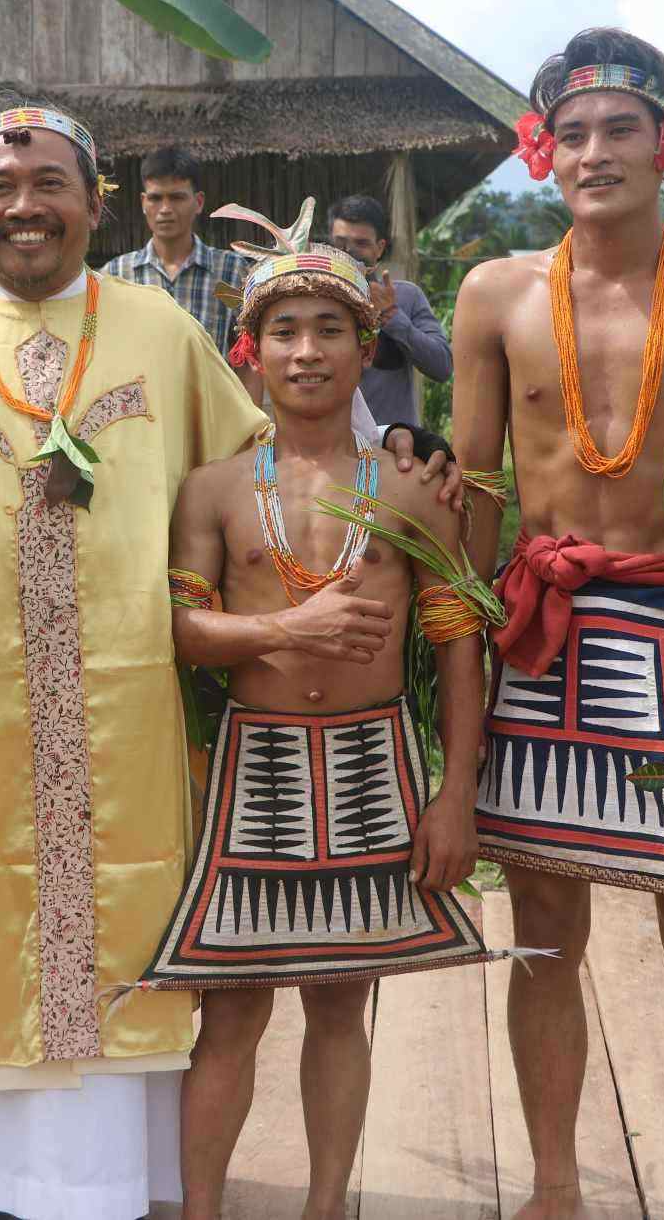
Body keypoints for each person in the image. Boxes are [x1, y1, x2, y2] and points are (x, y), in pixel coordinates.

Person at [0, 91, 457, 1219]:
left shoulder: (159, 332)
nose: (25, 210)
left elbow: (277, 463)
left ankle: (110, 1188)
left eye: (49, 188)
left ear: (95, 202)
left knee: (142, 961)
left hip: (124, 728)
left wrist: (400, 449)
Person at [454, 27, 664, 1220]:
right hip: (536, 631)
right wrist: (453, 661)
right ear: (544, 149)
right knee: (544, 928)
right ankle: (552, 1187)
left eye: (620, 130)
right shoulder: (493, 291)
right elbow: (476, 490)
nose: (593, 154)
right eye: (571, 133)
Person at [162, 202, 490, 1220]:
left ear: (366, 344)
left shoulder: (410, 484)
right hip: (253, 767)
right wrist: (282, 633)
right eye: (285, 332)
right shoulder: (212, 489)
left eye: (329, 331)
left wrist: (454, 796)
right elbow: (176, 632)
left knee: (341, 1003)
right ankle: (204, 1208)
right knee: (230, 1010)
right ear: (247, 349)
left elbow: (454, 640)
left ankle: (322, 1206)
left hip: (369, 761)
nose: (305, 353)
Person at [101, 144, 252, 364]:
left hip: (209, 399)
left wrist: (249, 400)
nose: (165, 209)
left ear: (198, 202)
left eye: (177, 197)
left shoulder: (232, 271)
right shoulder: (115, 275)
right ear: (144, 202)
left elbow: (248, 356)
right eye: (155, 198)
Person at [326, 194, 453, 427]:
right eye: (341, 243)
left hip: (396, 451)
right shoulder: (313, 301)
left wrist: (391, 316)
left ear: (380, 248)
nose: (349, 252)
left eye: (361, 243)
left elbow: (442, 366)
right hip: (328, 449)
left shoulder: (406, 297)